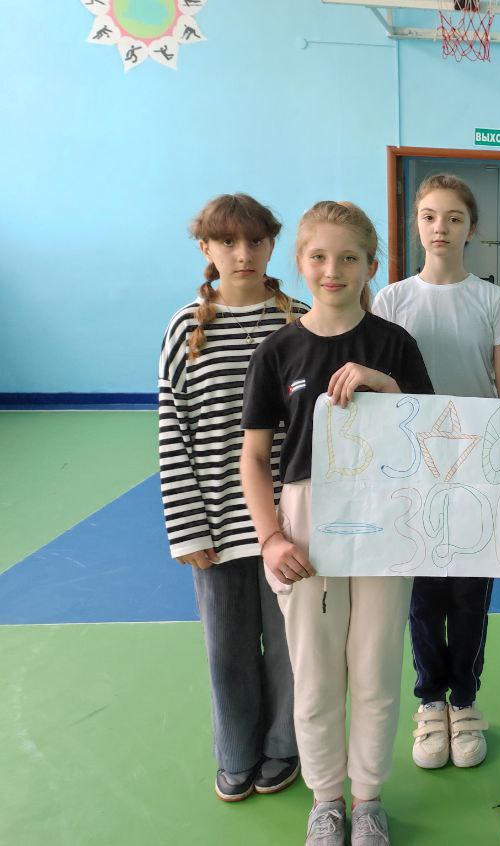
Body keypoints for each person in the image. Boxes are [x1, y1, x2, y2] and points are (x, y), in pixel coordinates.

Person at [240, 201, 434, 846]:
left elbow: (431, 437)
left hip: (384, 516)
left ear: (371, 266)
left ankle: (368, 798)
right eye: (320, 257)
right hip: (306, 521)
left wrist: (386, 385)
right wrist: (271, 537)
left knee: (375, 670)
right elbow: (254, 456)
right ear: (300, 262)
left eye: (349, 257)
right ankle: (326, 799)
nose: (333, 269)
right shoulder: (278, 350)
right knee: (317, 673)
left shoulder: (394, 345)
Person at [158, 193, 305, 802]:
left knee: (292, 651)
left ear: (272, 245)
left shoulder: (299, 321)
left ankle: (283, 747)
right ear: (206, 248)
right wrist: (188, 528)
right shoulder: (185, 328)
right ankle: (237, 754)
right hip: (217, 526)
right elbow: (173, 430)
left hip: (291, 526)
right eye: (227, 241)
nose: (242, 253)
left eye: (255, 241)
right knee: (228, 651)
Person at [372, 174, 500, 771]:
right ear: (416, 224)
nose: (441, 228)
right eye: (430, 216)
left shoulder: (493, 300)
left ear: (471, 229)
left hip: (477, 468)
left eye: (454, 218)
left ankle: (465, 700)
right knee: (425, 592)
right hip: (414, 469)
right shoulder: (391, 300)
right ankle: (430, 701)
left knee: (470, 592)